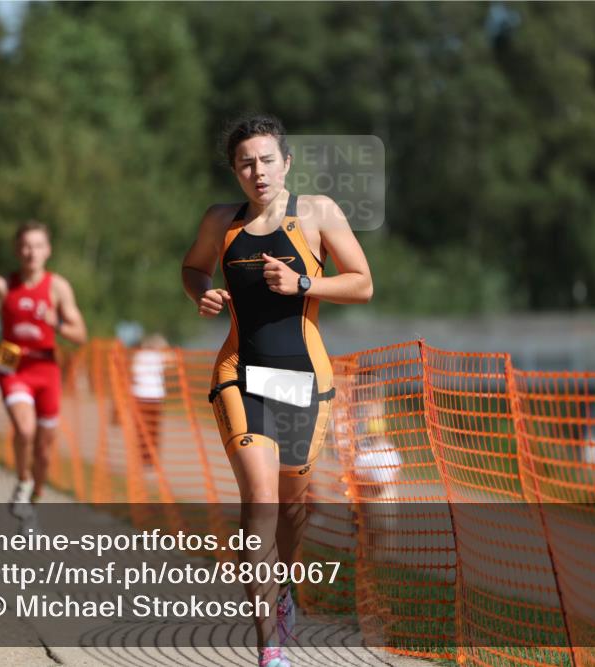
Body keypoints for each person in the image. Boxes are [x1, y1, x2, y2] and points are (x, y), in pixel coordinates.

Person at [181, 114, 373, 667]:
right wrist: (203, 292)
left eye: (267, 160)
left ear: (286, 162)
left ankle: (283, 590)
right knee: (260, 499)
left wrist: (303, 282)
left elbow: (362, 283)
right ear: (235, 171)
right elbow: (192, 268)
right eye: (246, 163)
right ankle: (270, 645)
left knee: (291, 507)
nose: (258, 172)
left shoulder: (317, 212)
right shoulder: (221, 220)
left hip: (300, 377)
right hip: (239, 370)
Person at [0, 221, 87, 523]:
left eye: (37, 246)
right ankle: (23, 482)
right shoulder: (2, 285)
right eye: (25, 246)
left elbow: (80, 335)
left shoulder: (57, 287)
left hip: (46, 367)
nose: (31, 252)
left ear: (48, 250)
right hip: (11, 362)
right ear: (16, 250)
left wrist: (57, 323)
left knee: (44, 452)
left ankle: (33, 501)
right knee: (25, 429)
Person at [130, 333, 169, 466]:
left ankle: (144, 456)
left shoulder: (139, 356)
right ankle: (150, 457)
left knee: (142, 427)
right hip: (155, 397)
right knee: (154, 427)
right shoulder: (159, 356)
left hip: (141, 395)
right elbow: (173, 361)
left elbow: (134, 374)